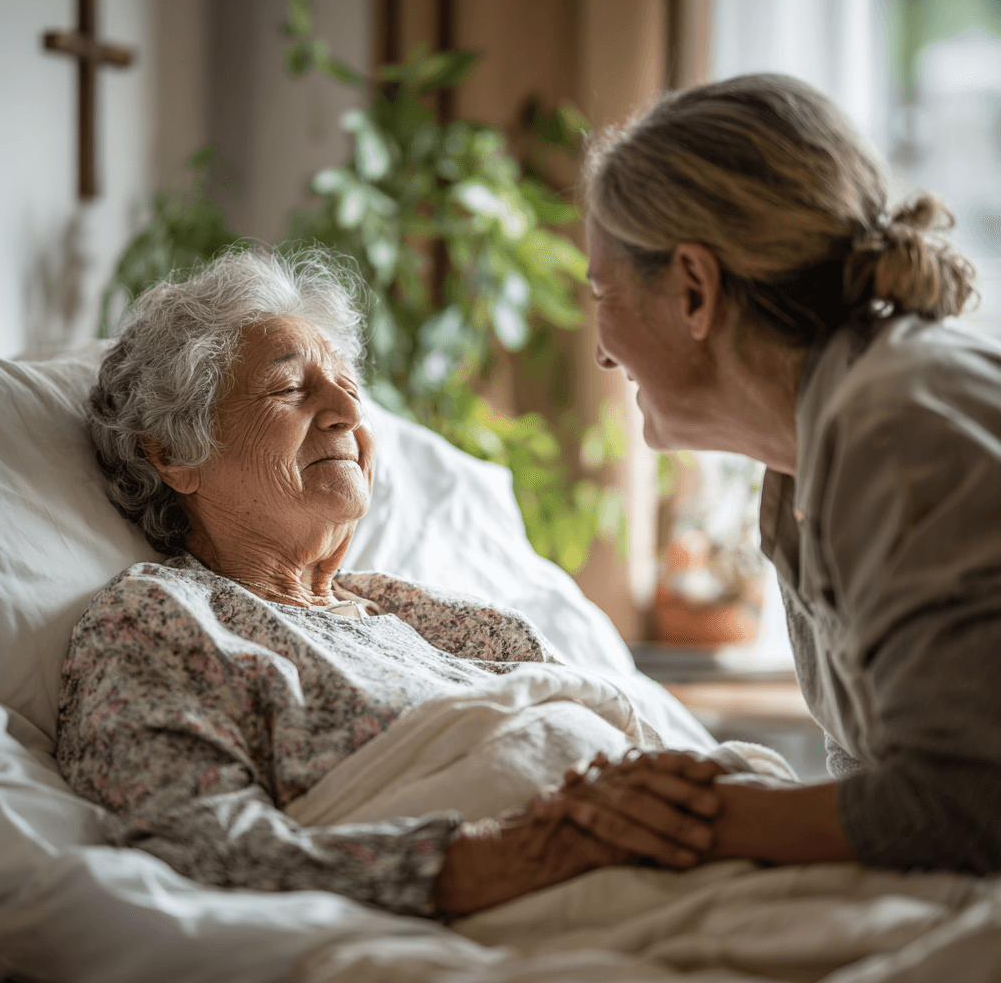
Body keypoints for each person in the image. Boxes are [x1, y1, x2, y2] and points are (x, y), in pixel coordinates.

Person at [56, 249, 732, 921]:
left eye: (348, 385)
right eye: (291, 388)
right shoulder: (158, 620)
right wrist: (528, 853)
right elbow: (196, 850)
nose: (347, 411)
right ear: (174, 453)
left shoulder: (434, 617)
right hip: (560, 908)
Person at [580, 71, 1001, 874]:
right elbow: (885, 781)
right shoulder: (803, 464)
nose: (600, 350)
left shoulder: (892, 427)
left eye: (603, 293)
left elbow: (967, 803)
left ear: (694, 291)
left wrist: (688, 820)